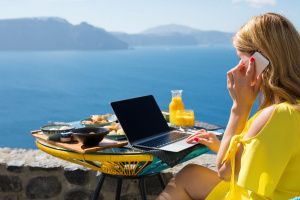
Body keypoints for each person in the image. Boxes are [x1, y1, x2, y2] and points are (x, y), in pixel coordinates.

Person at [156, 12, 300, 200]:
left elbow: (224, 172)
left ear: (260, 60)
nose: (236, 67)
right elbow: (276, 157)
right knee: (190, 174)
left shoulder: (278, 115)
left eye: (241, 58)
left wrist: (239, 107)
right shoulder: (292, 108)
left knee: (185, 179)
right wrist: (221, 146)